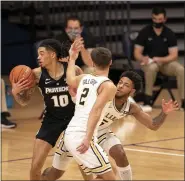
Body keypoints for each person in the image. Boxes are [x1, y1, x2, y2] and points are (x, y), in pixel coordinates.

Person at [42, 71, 179, 181]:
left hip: (100, 133)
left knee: (119, 153)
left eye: (125, 85)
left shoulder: (131, 107)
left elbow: (153, 125)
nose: (120, 86)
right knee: (54, 174)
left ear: (132, 91)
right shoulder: (105, 93)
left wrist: (165, 113)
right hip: (80, 133)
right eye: (120, 82)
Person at [11, 39, 82, 180]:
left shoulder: (73, 70)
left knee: (84, 164)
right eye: (38, 54)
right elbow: (24, 102)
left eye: (41, 54)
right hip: (51, 120)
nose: (38, 57)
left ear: (52, 55)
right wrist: (16, 92)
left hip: (74, 119)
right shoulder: (36, 74)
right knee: (36, 165)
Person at [62, 40, 117, 180]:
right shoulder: (108, 86)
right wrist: (87, 138)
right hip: (82, 136)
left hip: (70, 133)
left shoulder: (83, 78)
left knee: (104, 174)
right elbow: (96, 111)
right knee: (111, 178)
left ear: (92, 63)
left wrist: (72, 59)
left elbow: (69, 80)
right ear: (111, 62)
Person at [134, 7, 184, 109]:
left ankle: (183, 101)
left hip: (165, 62)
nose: (157, 21)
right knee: (152, 68)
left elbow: (174, 55)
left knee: (181, 69)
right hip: (149, 63)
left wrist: (160, 59)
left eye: (160, 19)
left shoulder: (169, 33)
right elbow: (136, 53)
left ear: (165, 19)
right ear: (152, 18)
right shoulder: (145, 32)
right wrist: (143, 58)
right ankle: (147, 101)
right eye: (154, 19)